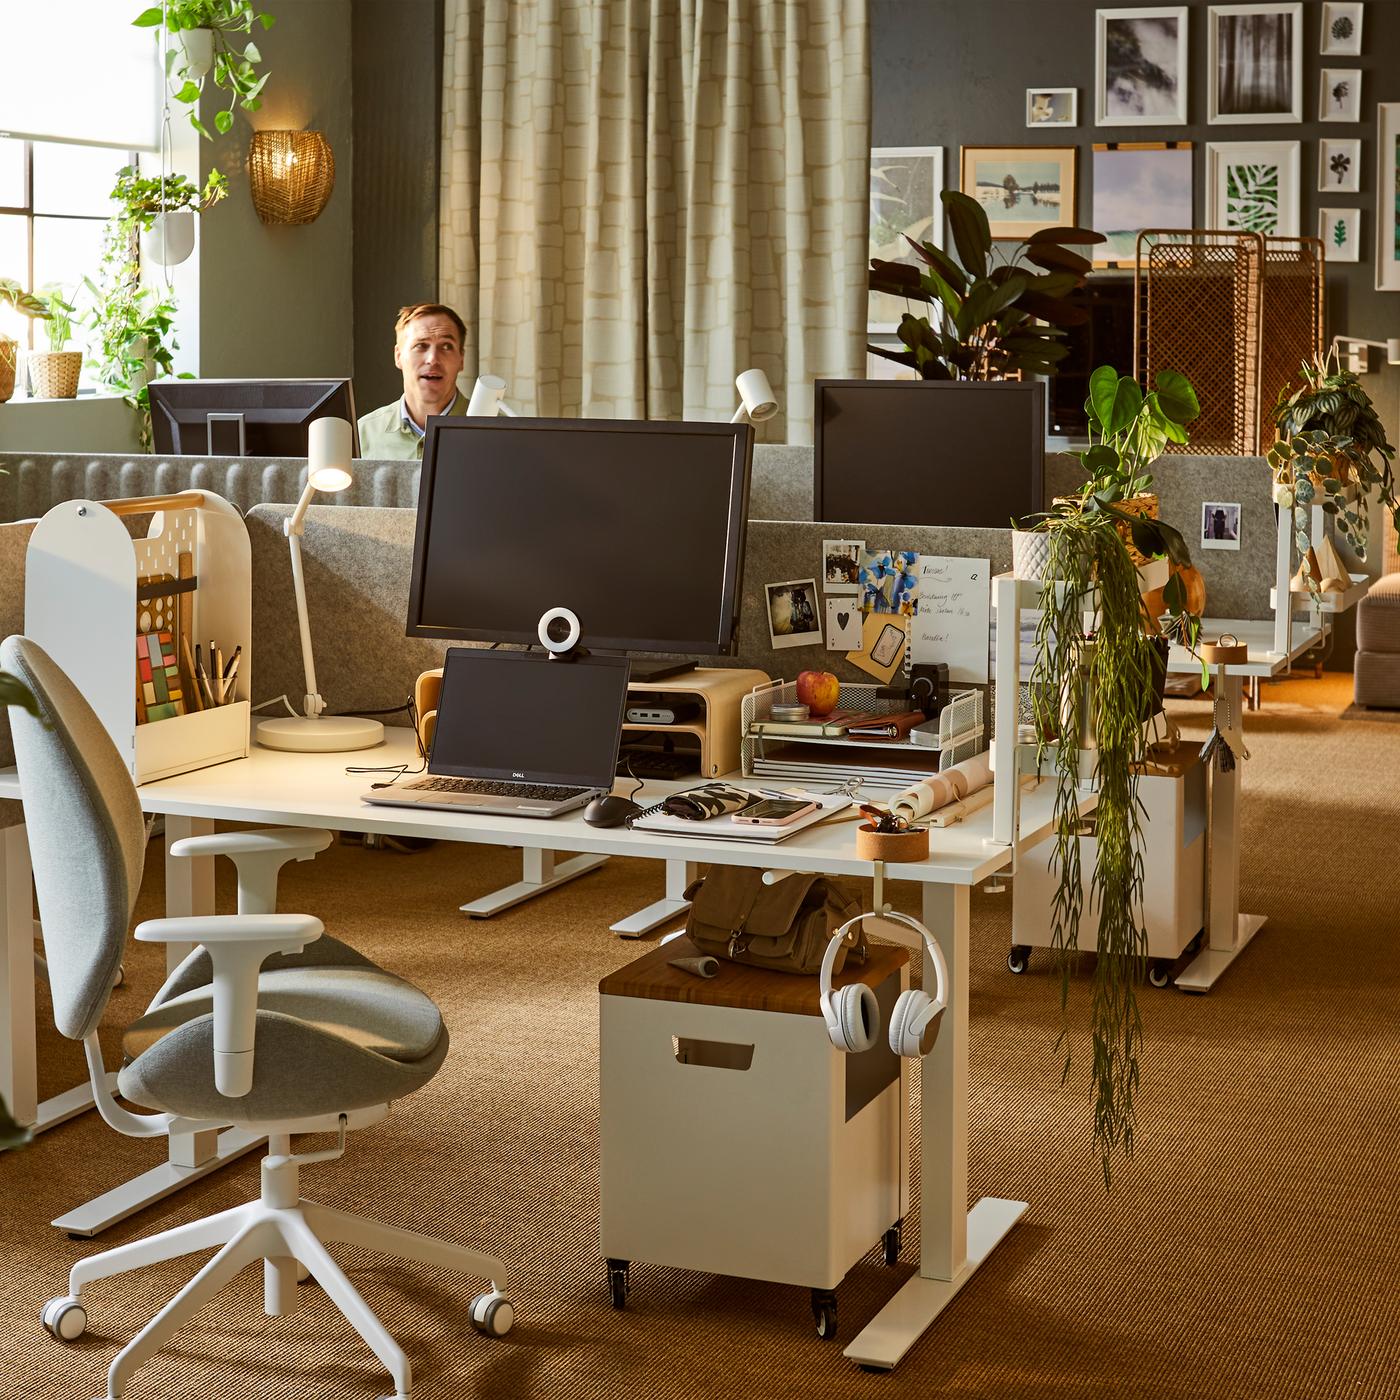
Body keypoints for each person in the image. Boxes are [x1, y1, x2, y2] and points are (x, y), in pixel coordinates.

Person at [356, 302, 472, 460]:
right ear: (398, 356)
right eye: (421, 346)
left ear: (461, 359)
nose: (432, 359)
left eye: (446, 346)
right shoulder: (362, 434)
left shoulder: (503, 431)